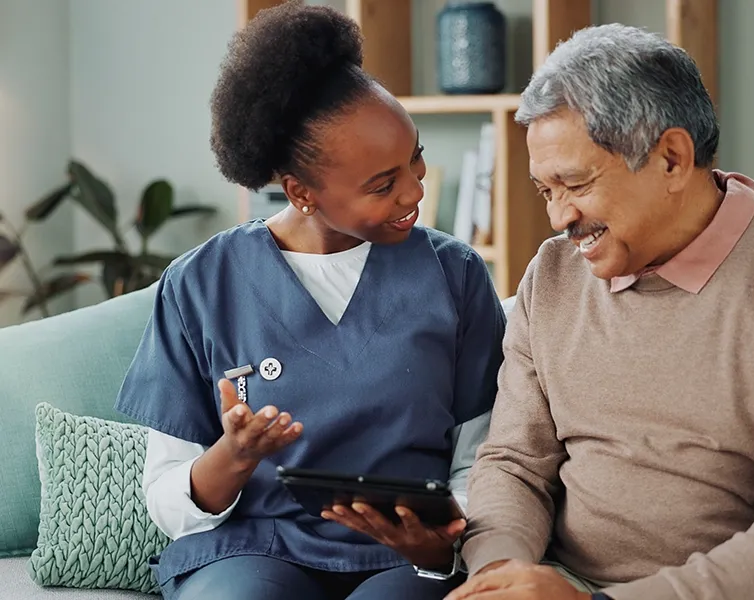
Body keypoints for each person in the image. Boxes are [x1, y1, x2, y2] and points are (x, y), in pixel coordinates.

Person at [446, 23, 754, 600]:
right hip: (567, 584)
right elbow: (513, 465)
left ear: (673, 159)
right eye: (544, 191)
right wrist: (499, 576)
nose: (558, 217)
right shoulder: (552, 276)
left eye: (574, 184)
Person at [113, 3, 505, 599]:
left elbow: (484, 462)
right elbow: (167, 501)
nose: (415, 190)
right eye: (382, 184)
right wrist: (234, 456)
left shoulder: (455, 276)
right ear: (301, 192)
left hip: (401, 559)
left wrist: (443, 540)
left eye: (416, 159)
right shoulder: (200, 284)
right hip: (250, 548)